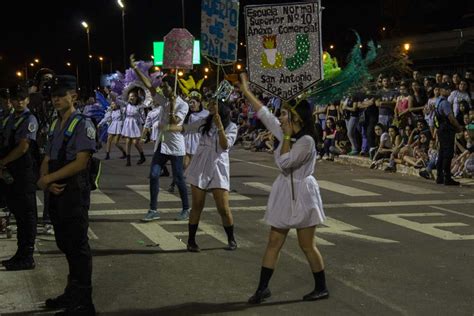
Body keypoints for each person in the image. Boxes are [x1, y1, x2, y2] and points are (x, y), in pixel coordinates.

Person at [240, 73, 329, 304]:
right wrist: (246, 90)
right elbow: (265, 115)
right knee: (273, 242)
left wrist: (286, 136)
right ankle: (262, 289)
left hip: (303, 193)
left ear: (296, 117)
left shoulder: (307, 141)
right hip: (284, 193)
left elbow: (284, 163)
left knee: (306, 245)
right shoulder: (287, 134)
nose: (279, 118)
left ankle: (321, 287)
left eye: (284, 114)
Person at [36, 75, 96, 315]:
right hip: (56, 190)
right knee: (65, 243)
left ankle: (84, 301)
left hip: (73, 190)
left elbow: (81, 162)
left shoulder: (83, 123)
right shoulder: (54, 123)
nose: (56, 99)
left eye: (61, 95)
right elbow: (47, 157)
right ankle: (72, 293)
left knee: (78, 245)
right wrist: (46, 181)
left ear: (74, 96)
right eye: (53, 96)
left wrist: (47, 180)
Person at [169, 100, 238, 252]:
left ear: (223, 109)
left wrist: (220, 127)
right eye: (210, 105)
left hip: (219, 166)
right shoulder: (204, 122)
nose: (210, 108)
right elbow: (185, 128)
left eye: (214, 105)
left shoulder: (232, 127)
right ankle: (191, 241)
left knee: (223, 209)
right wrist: (168, 125)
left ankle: (231, 238)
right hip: (200, 165)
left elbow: (225, 145)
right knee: (197, 205)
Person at [130, 55, 190, 222]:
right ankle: (153, 209)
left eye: (165, 86)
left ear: (172, 88)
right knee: (154, 175)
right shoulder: (162, 100)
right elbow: (149, 85)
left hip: (176, 147)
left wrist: (171, 106)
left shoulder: (182, 105)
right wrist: (136, 69)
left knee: (178, 178)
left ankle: (186, 208)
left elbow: (175, 122)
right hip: (161, 145)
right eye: (162, 86)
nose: (162, 89)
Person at [0, 84, 38, 271]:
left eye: (22, 98)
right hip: (11, 172)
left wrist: (3, 162)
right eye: (15, 99)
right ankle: (20, 254)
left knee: (27, 216)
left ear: (28, 100)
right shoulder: (9, 118)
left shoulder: (29, 119)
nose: (19, 102)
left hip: (24, 172)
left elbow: (23, 147)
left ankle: (27, 256)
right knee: (19, 214)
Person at [434, 83, 464, 185]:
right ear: (442, 90)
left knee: (442, 152)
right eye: (447, 90)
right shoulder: (445, 103)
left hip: (441, 129)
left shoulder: (437, 101)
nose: (449, 92)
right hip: (446, 130)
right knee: (447, 154)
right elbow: (450, 117)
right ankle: (447, 177)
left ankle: (439, 176)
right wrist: (458, 127)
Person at [116, 88, 147, 166]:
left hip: (135, 124)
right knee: (128, 141)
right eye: (130, 96)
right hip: (127, 123)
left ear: (136, 97)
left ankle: (142, 156)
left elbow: (143, 116)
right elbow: (117, 100)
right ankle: (128, 160)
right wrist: (114, 93)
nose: (131, 97)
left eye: (133, 96)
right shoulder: (126, 105)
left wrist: (146, 126)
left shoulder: (139, 106)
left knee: (135, 142)